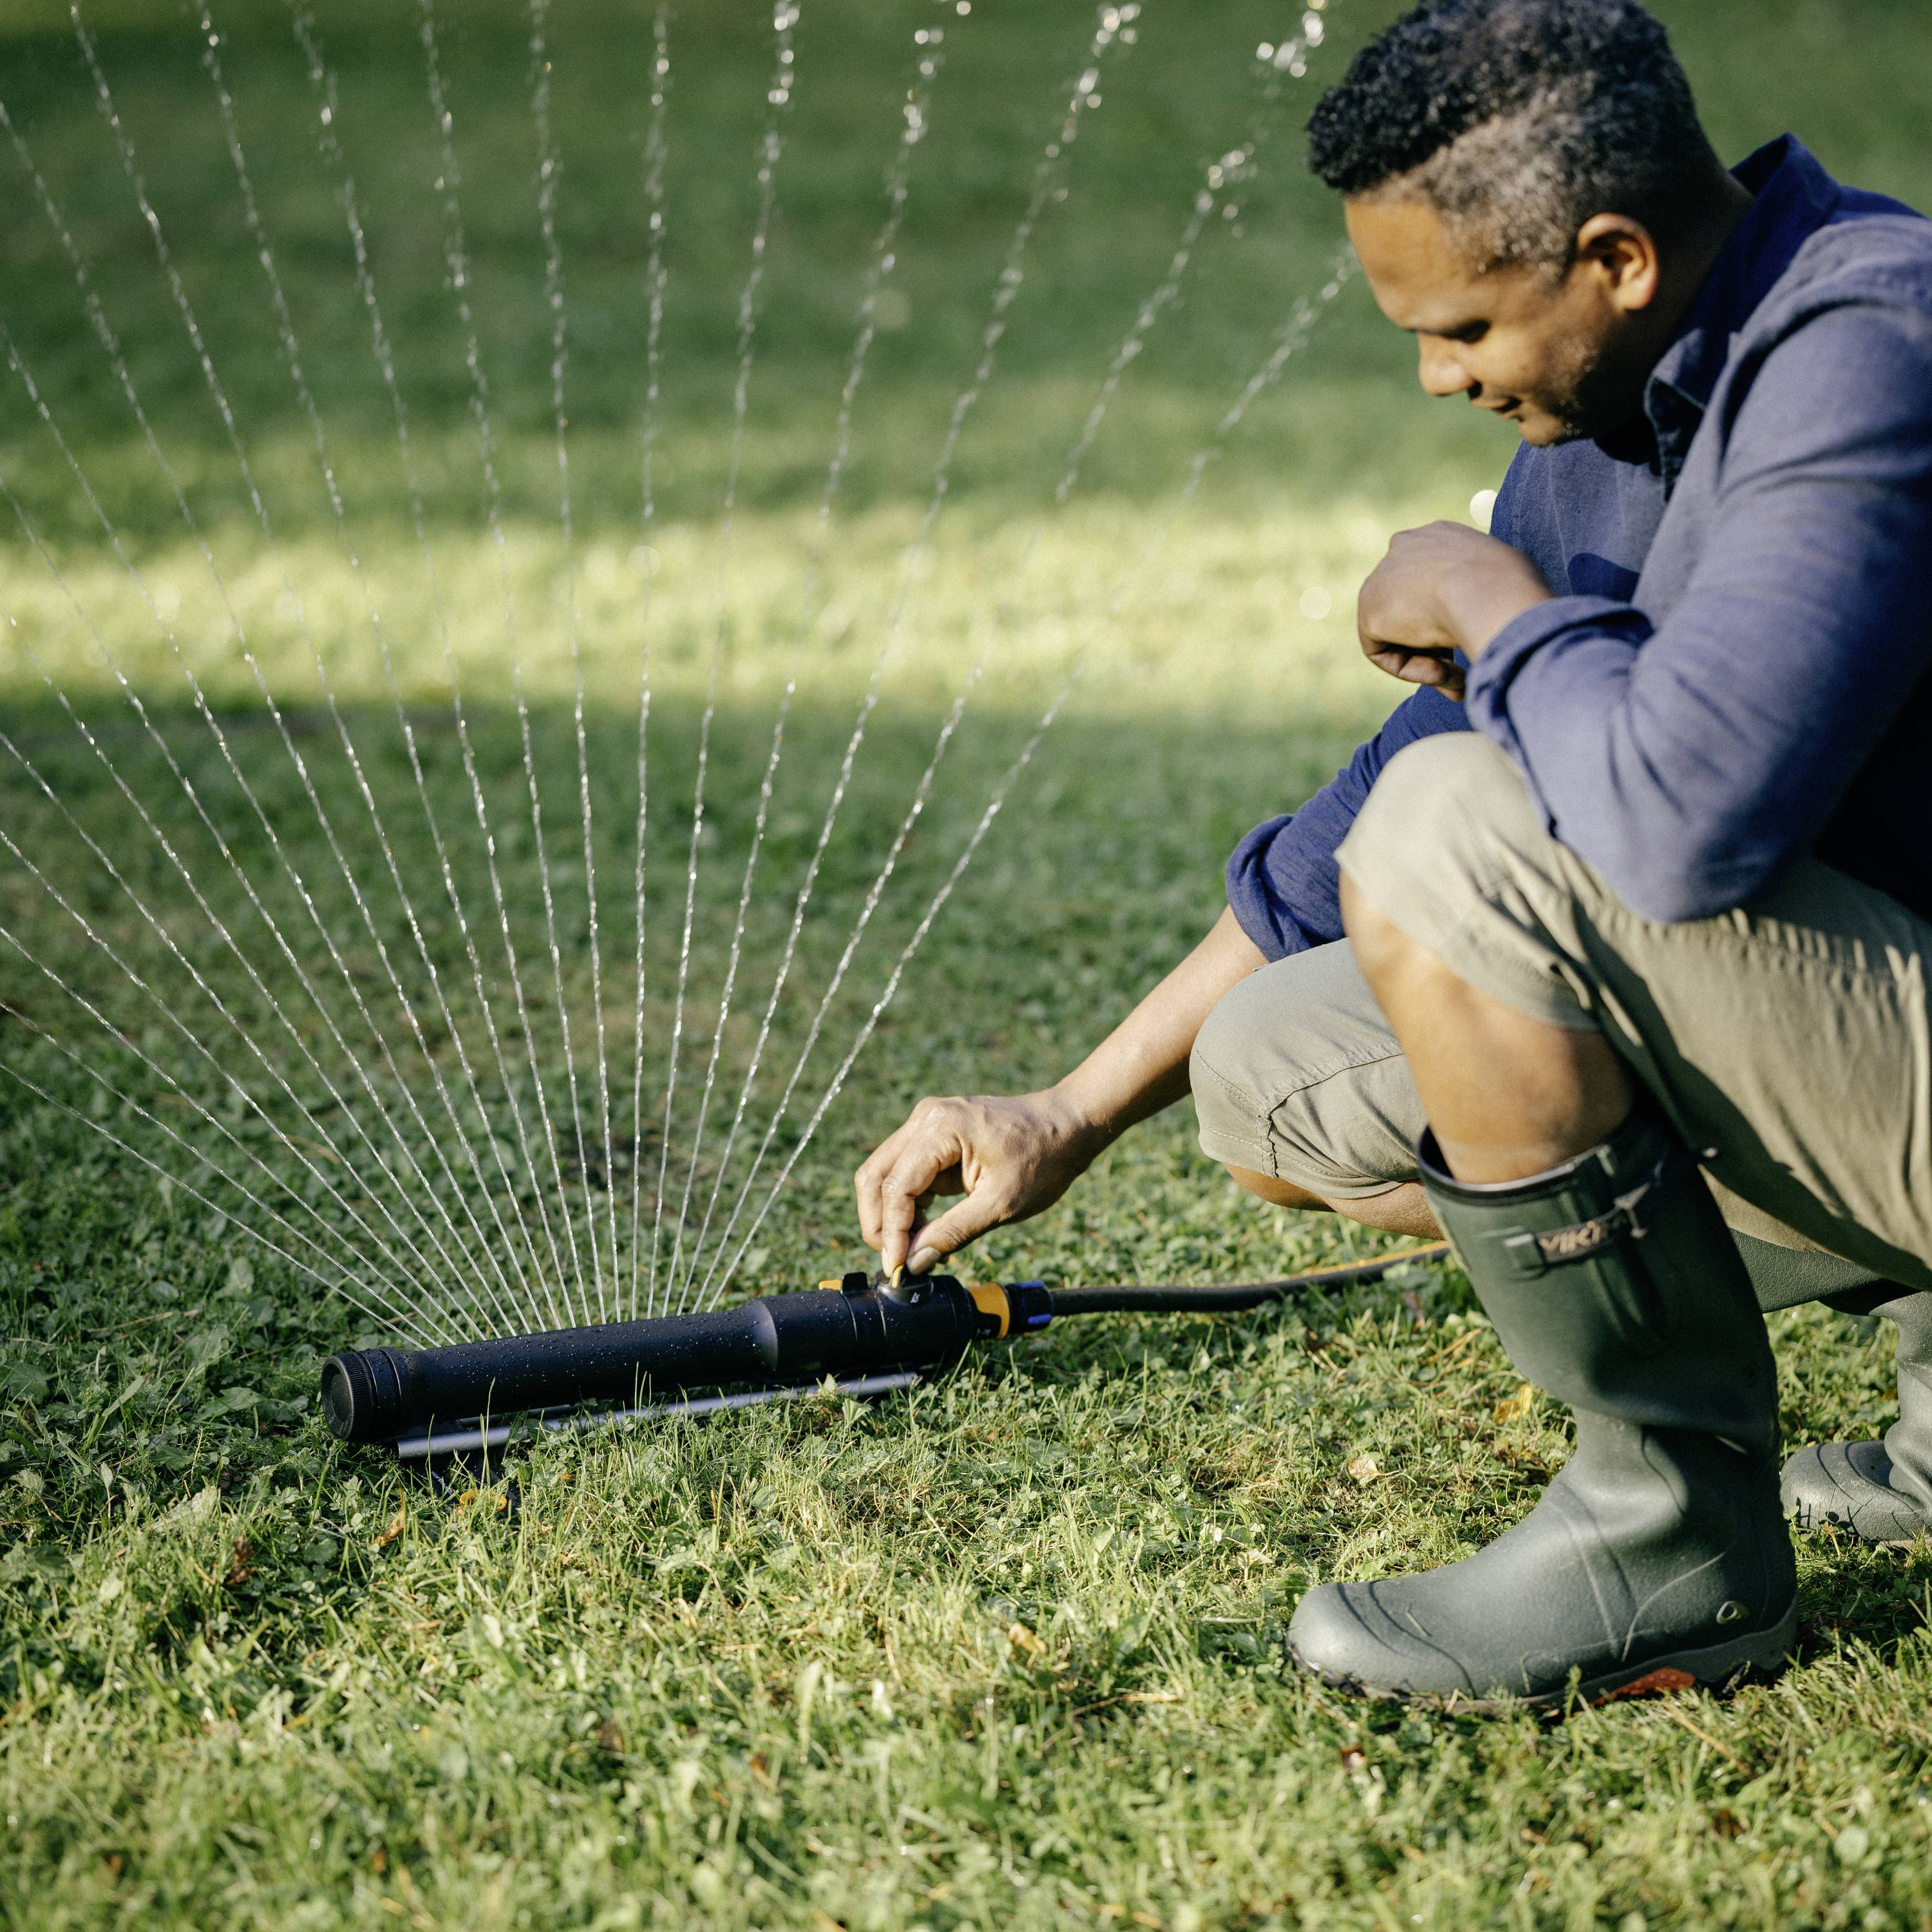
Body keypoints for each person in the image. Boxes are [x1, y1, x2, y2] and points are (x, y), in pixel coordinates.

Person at [857, 0, 1932, 1706]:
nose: (1440, 378)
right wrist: (1066, 1112)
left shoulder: (1871, 345)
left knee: (1461, 847)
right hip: (1881, 1011)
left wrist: (1494, 603)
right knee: (1277, 1063)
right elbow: (1396, 787)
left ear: (1618, 259)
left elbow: (1682, 822)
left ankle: (1669, 1536)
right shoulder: (1604, 412)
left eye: (1463, 329)